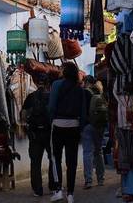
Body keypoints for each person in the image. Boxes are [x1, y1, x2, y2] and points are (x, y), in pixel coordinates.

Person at [48, 62, 86, 203]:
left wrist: (51, 120)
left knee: (56, 158)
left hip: (58, 124)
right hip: (74, 126)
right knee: (72, 161)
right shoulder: (79, 89)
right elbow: (83, 111)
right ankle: (70, 193)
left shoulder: (57, 85)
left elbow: (51, 106)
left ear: (64, 71)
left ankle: (58, 190)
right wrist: (80, 128)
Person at [22, 74, 58, 197]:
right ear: (48, 84)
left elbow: (23, 114)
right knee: (53, 159)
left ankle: (38, 190)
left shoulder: (30, 97)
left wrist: (28, 123)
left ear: (36, 83)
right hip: (49, 133)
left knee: (35, 162)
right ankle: (53, 186)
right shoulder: (52, 97)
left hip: (35, 134)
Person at [81, 75, 107, 189]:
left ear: (86, 82)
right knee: (99, 151)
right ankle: (101, 179)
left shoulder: (84, 93)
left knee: (88, 152)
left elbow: (81, 110)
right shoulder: (100, 92)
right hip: (99, 126)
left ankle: (88, 180)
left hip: (87, 125)